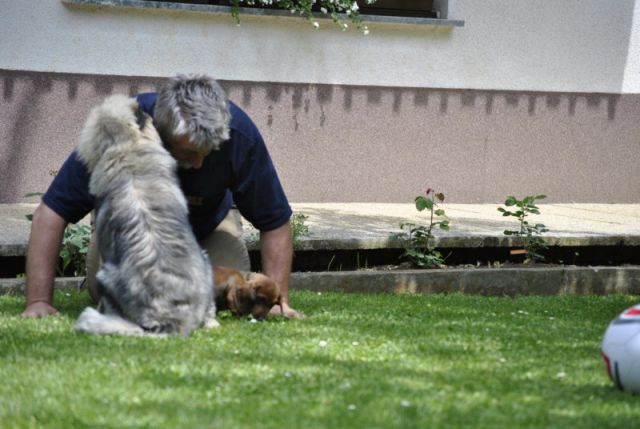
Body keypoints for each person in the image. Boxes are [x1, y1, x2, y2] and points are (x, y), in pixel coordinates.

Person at [21, 74, 302, 319]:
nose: (200, 163)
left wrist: (280, 304)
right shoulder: (118, 130)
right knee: (119, 293)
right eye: (188, 154)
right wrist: (38, 302)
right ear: (158, 131)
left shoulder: (240, 134)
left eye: (209, 151)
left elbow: (275, 220)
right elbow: (51, 213)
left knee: (233, 293)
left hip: (208, 227)